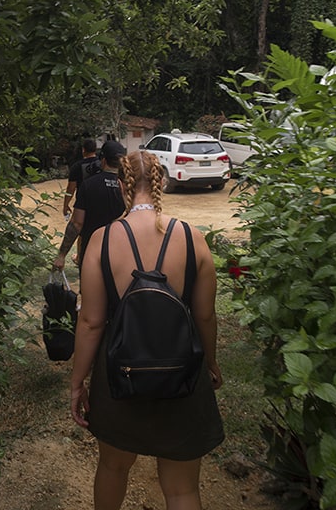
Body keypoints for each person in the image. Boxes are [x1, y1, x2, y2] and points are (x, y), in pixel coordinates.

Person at [69, 149, 224, 510]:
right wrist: (211, 363)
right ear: (160, 183)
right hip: (183, 376)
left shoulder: (102, 240)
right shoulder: (192, 238)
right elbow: (204, 317)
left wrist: (78, 382)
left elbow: (91, 322)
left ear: (121, 185)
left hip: (119, 377)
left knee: (112, 467)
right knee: (182, 489)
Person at [53, 140, 126, 273]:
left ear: (103, 160)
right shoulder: (128, 186)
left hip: (92, 253)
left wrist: (61, 255)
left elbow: (76, 223)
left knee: (89, 292)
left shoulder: (88, 185)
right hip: (121, 254)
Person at [63, 138, 101, 219]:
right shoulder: (102, 164)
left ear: (83, 150)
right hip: (100, 200)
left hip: (83, 203)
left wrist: (66, 205)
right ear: (95, 149)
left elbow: (71, 189)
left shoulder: (76, 166)